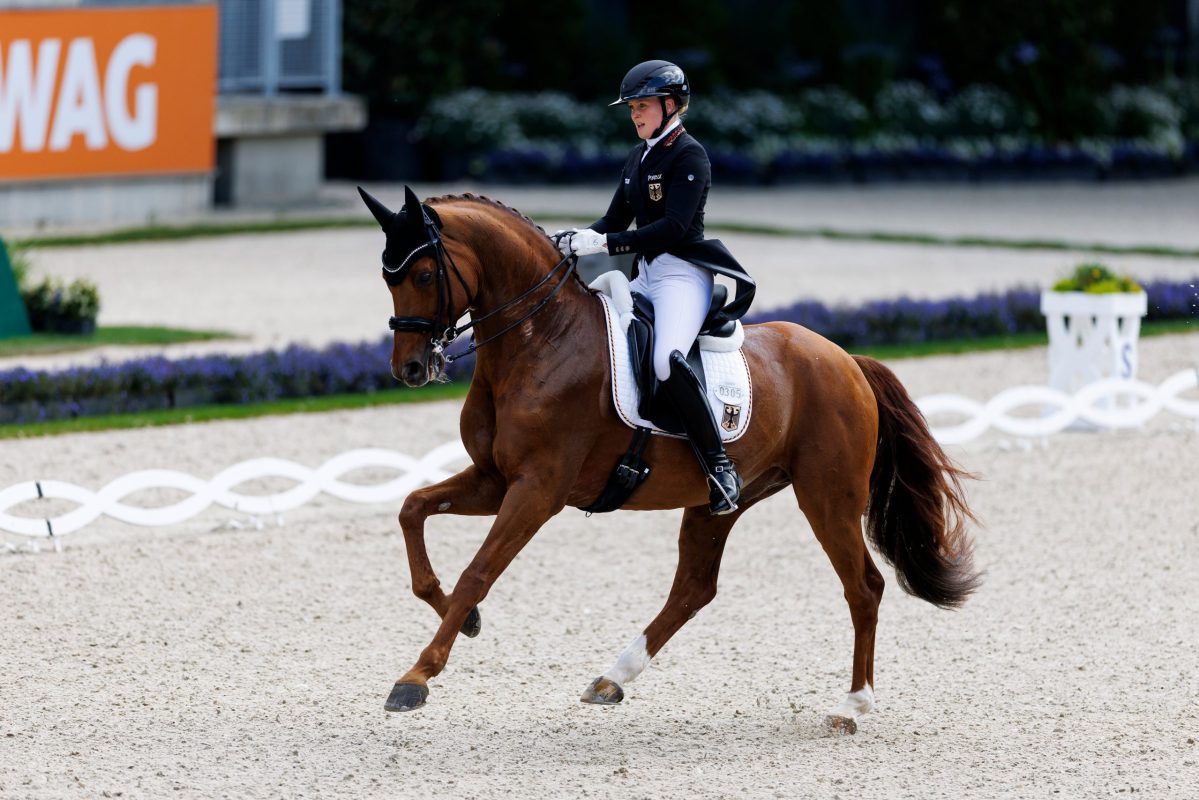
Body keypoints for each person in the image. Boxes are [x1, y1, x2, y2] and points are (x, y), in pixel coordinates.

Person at [557, 59, 755, 515]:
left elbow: (673, 228)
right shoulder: (637, 157)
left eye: (642, 106)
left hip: (683, 273)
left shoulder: (689, 155)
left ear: (670, 105)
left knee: (667, 359)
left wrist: (606, 243)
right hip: (645, 273)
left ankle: (720, 467)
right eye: (631, 108)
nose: (635, 115)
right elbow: (614, 219)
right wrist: (569, 240)